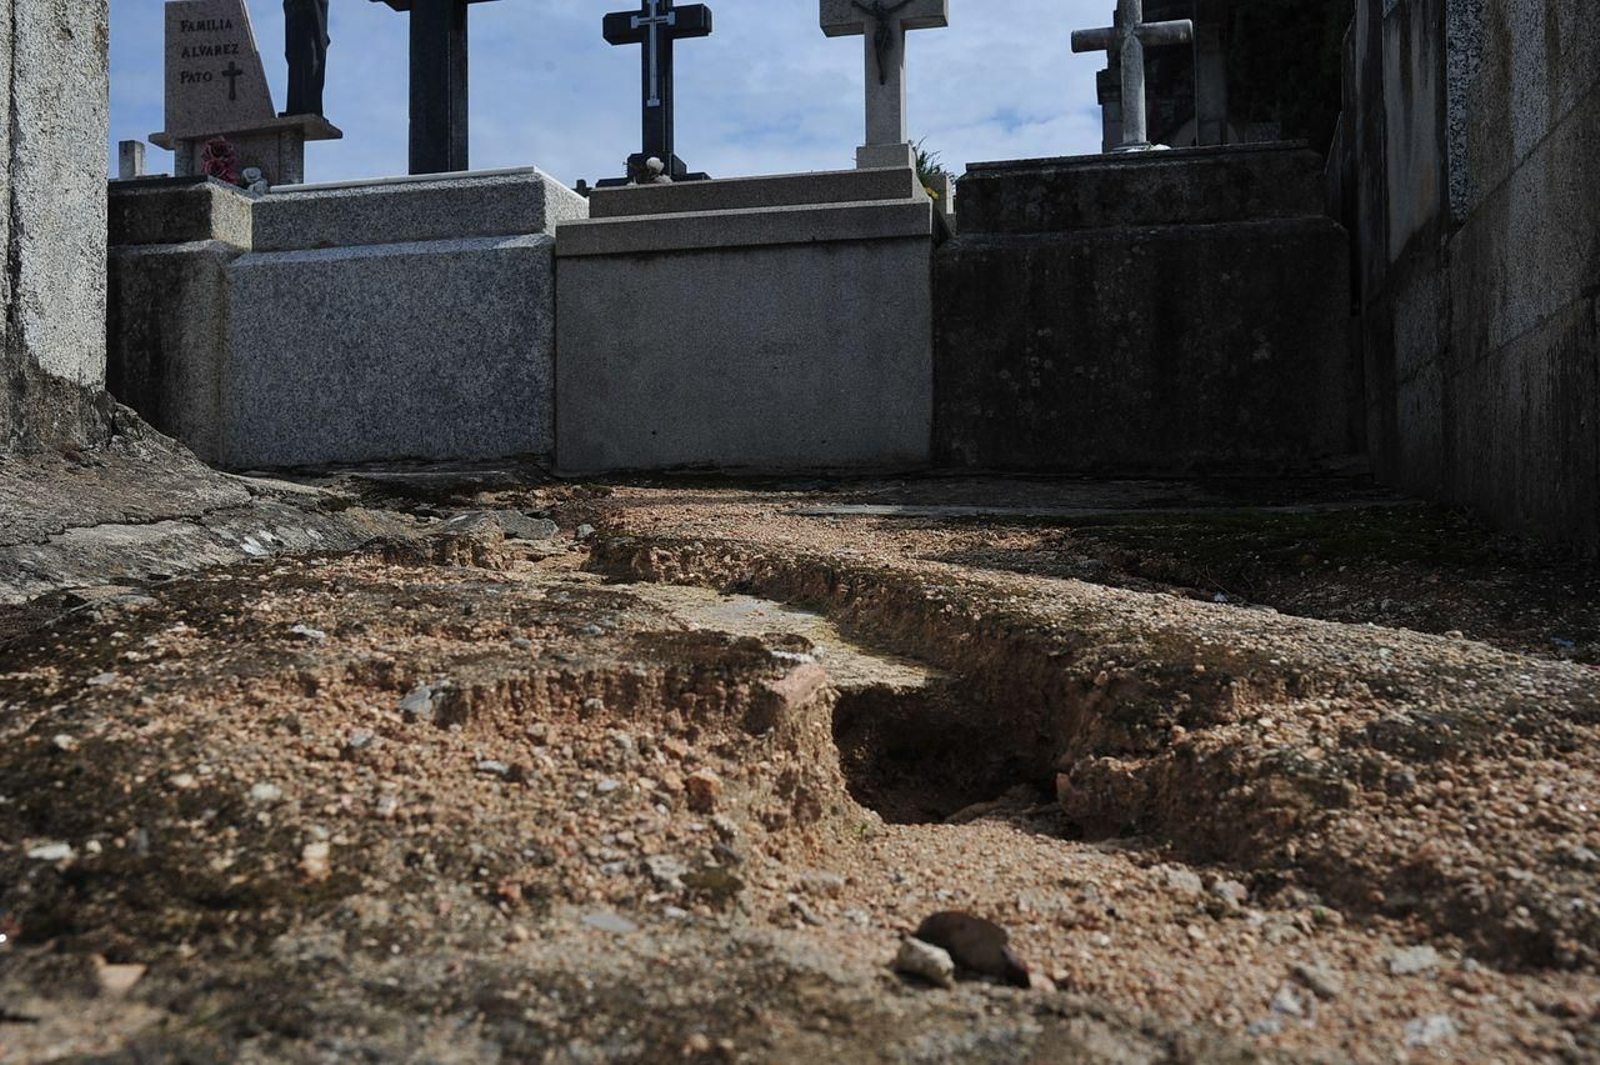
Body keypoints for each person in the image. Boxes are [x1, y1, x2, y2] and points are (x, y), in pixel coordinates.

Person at [283, 0, 330, 117]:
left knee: (311, 62)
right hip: (296, 17)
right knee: (295, 63)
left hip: (312, 19)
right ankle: (294, 107)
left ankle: (312, 107)